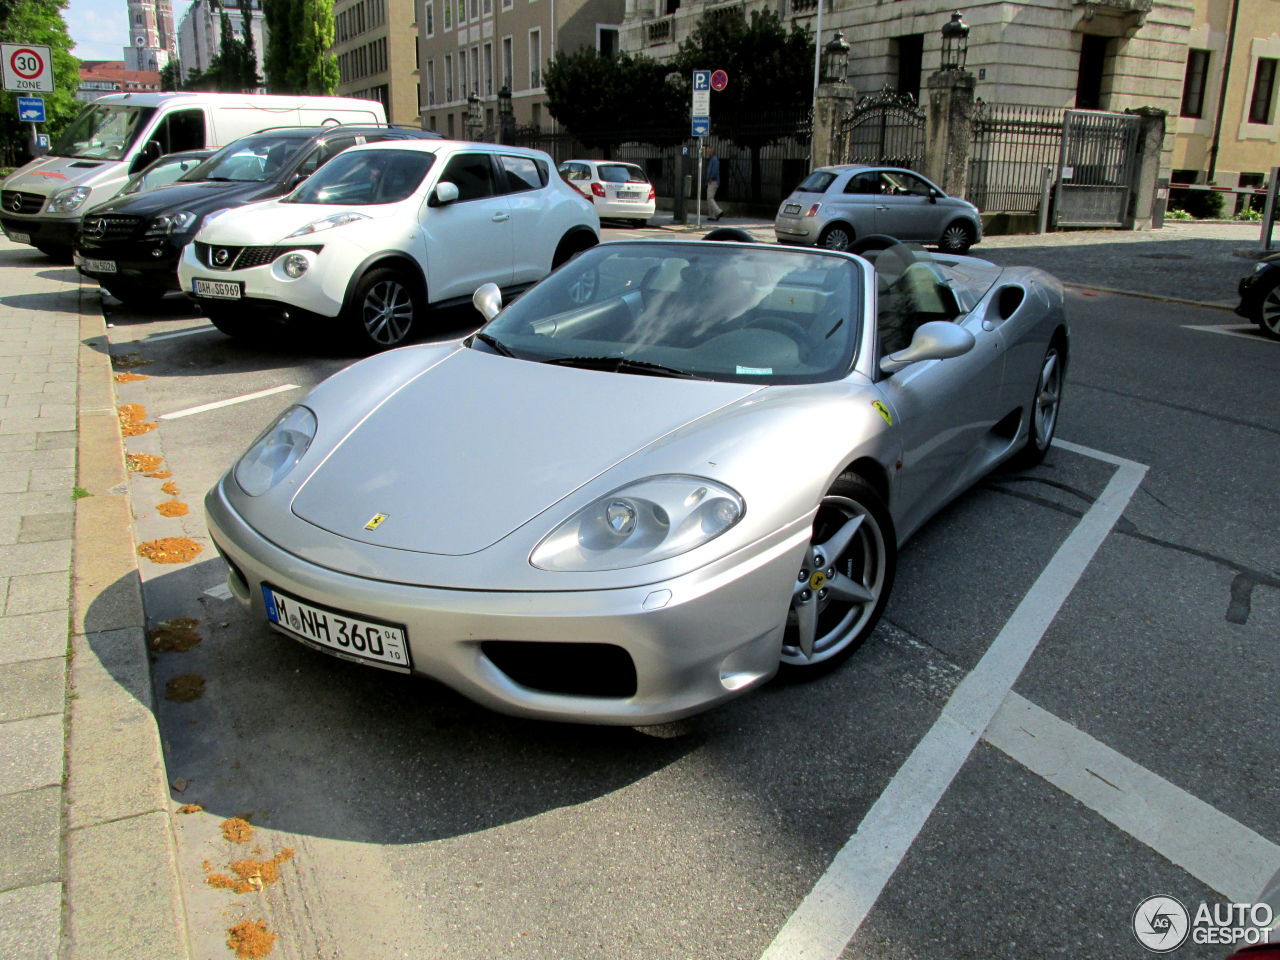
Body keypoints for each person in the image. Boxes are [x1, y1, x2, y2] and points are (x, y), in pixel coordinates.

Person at [705, 145, 723, 221]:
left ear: (711, 152)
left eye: (708, 151)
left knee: (710, 197)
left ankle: (718, 211)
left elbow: (715, 171)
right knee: (709, 198)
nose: (706, 152)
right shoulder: (712, 159)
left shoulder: (714, 160)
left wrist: (710, 178)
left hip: (713, 181)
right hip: (712, 181)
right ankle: (711, 215)